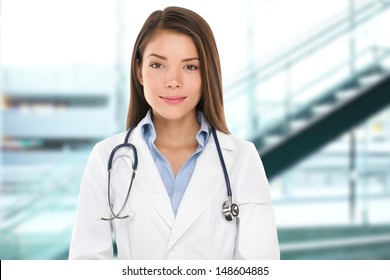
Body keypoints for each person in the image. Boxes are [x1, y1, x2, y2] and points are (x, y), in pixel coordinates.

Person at [69, 6, 279, 260]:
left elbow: (260, 267)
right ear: (139, 71)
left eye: (190, 67)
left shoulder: (242, 159)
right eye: (157, 64)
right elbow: (87, 265)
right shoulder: (106, 158)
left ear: (207, 73)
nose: (173, 80)